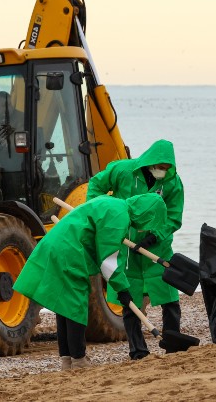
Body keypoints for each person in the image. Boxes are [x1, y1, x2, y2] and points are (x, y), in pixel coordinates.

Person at [13, 193, 167, 370]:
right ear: (146, 212)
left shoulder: (114, 203)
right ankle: (78, 359)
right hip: (69, 253)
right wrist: (123, 290)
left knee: (64, 306)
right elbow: (109, 259)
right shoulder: (119, 216)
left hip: (56, 245)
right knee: (76, 305)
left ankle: (66, 360)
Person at [86, 139, 184, 360]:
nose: (163, 171)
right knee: (130, 299)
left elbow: (174, 217)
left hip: (157, 248)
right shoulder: (122, 170)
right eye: (161, 166)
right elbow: (96, 185)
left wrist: (155, 235)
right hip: (126, 245)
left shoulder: (172, 183)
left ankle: (173, 344)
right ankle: (138, 350)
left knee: (169, 296)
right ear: (150, 161)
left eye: (168, 168)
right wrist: (98, 214)